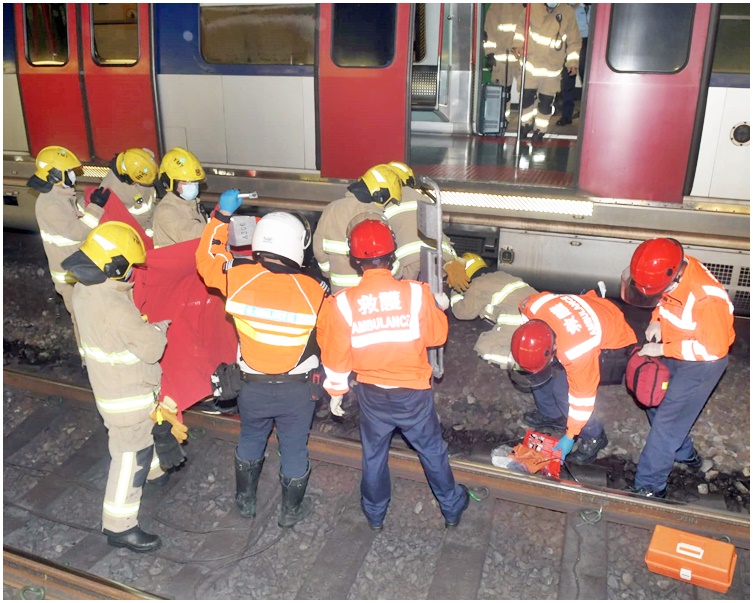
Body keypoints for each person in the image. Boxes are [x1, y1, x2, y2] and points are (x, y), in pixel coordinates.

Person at [316, 215, 470, 530]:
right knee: (431, 450)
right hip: (413, 393)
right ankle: (451, 507)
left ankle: (374, 514)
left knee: (374, 454)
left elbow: (335, 355)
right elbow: (437, 337)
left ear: (354, 260)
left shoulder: (342, 304)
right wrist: (438, 307)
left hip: (371, 394)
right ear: (393, 254)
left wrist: (336, 392)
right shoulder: (415, 293)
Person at [196, 190, 327, 528]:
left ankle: (245, 503)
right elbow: (330, 336)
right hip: (298, 392)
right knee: (295, 448)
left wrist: (221, 217)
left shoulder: (238, 278)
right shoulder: (313, 291)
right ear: (297, 246)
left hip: (250, 387)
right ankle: (290, 512)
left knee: (251, 439)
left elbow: (207, 258)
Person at [60, 221, 178, 553]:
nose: (131, 274)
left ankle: (154, 472)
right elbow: (152, 349)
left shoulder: (85, 290)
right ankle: (120, 526)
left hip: (111, 388)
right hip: (127, 397)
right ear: (115, 266)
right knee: (130, 456)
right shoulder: (115, 307)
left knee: (142, 439)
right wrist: (159, 329)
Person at [620, 238, 735, 498]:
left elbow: (712, 350)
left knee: (666, 425)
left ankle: (649, 487)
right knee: (652, 399)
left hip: (702, 364)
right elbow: (665, 301)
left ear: (674, 277)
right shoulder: (675, 267)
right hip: (675, 347)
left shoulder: (707, 300)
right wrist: (657, 320)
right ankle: (686, 455)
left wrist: (662, 350)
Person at [509, 289, 637, 464]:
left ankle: (594, 436)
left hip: (612, 337)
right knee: (536, 370)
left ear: (553, 349)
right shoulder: (532, 305)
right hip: (584, 319)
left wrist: (570, 435)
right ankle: (552, 415)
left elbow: (582, 400)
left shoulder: (578, 351)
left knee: (563, 390)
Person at [29, 145, 107, 362]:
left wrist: (88, 203)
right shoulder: (50, 204)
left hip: (78, 270)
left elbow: (75, 218)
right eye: (69, 172)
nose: (73, 175)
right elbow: (77, 231)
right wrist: (96, 209)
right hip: (70, 277)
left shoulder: (61, 197)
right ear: (55, 176)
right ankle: (89, 361)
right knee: (82, 318)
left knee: (90, 315)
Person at [313, 164, 402, 293]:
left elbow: (319, 251)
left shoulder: (331, 209)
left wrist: (329, 273)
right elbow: (388, 260)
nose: (386, 205)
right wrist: (398, 274)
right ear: (380, 195)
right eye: (388, 201)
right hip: (371, 293)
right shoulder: (375, 218)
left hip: (339, 291)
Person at [382, 161, 469, 292]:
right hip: (436, 260)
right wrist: (452, 261)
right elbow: (440, 236)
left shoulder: (383, 204)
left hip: (407, 265)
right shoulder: (425, 199)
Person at [450, 253, 538, 367]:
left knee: (485, 347)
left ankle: (527, 364)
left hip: (518, 319)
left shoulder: (478, 284)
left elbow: (463, 312)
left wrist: (455, 291)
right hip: (540, 310)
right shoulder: (501, 275)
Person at [512, 3, 582, 141]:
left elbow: (574, 40)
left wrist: (572, 62)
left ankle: (540, 129)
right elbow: (521, 27)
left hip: (552, 67)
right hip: (531, 63)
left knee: (546, 101)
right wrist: (517, 45)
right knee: (526, 97)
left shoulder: (567, 12)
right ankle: (525, 124)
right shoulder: (532, 8)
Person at [152, 147, 208, 247]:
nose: (193, 186)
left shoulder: (193, 203)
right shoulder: (166, 211)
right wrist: (221, 223)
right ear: (169, 182)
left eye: (194, 182)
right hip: (172, 261)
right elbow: (190, 235)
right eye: (185, 182)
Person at [98, 148, 159, 238]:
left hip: (151, 223)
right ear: (129, 178)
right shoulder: (112, 190)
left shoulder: (141, 160)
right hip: (136, 234)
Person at [484, 3, 525, 123]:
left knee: (528, 92)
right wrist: (490, 54)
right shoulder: (497, 6)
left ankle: (527, 123)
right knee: (502, 93)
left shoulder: (526, 6)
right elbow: (489, 32)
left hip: (521, 58)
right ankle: (500, 121)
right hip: (502, 59)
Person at [557, 4, 590, 126]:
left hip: (589, 41)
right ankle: (566, 115)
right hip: (570, 41)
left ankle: (588, 115)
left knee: (586, 77)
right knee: (568, 78)